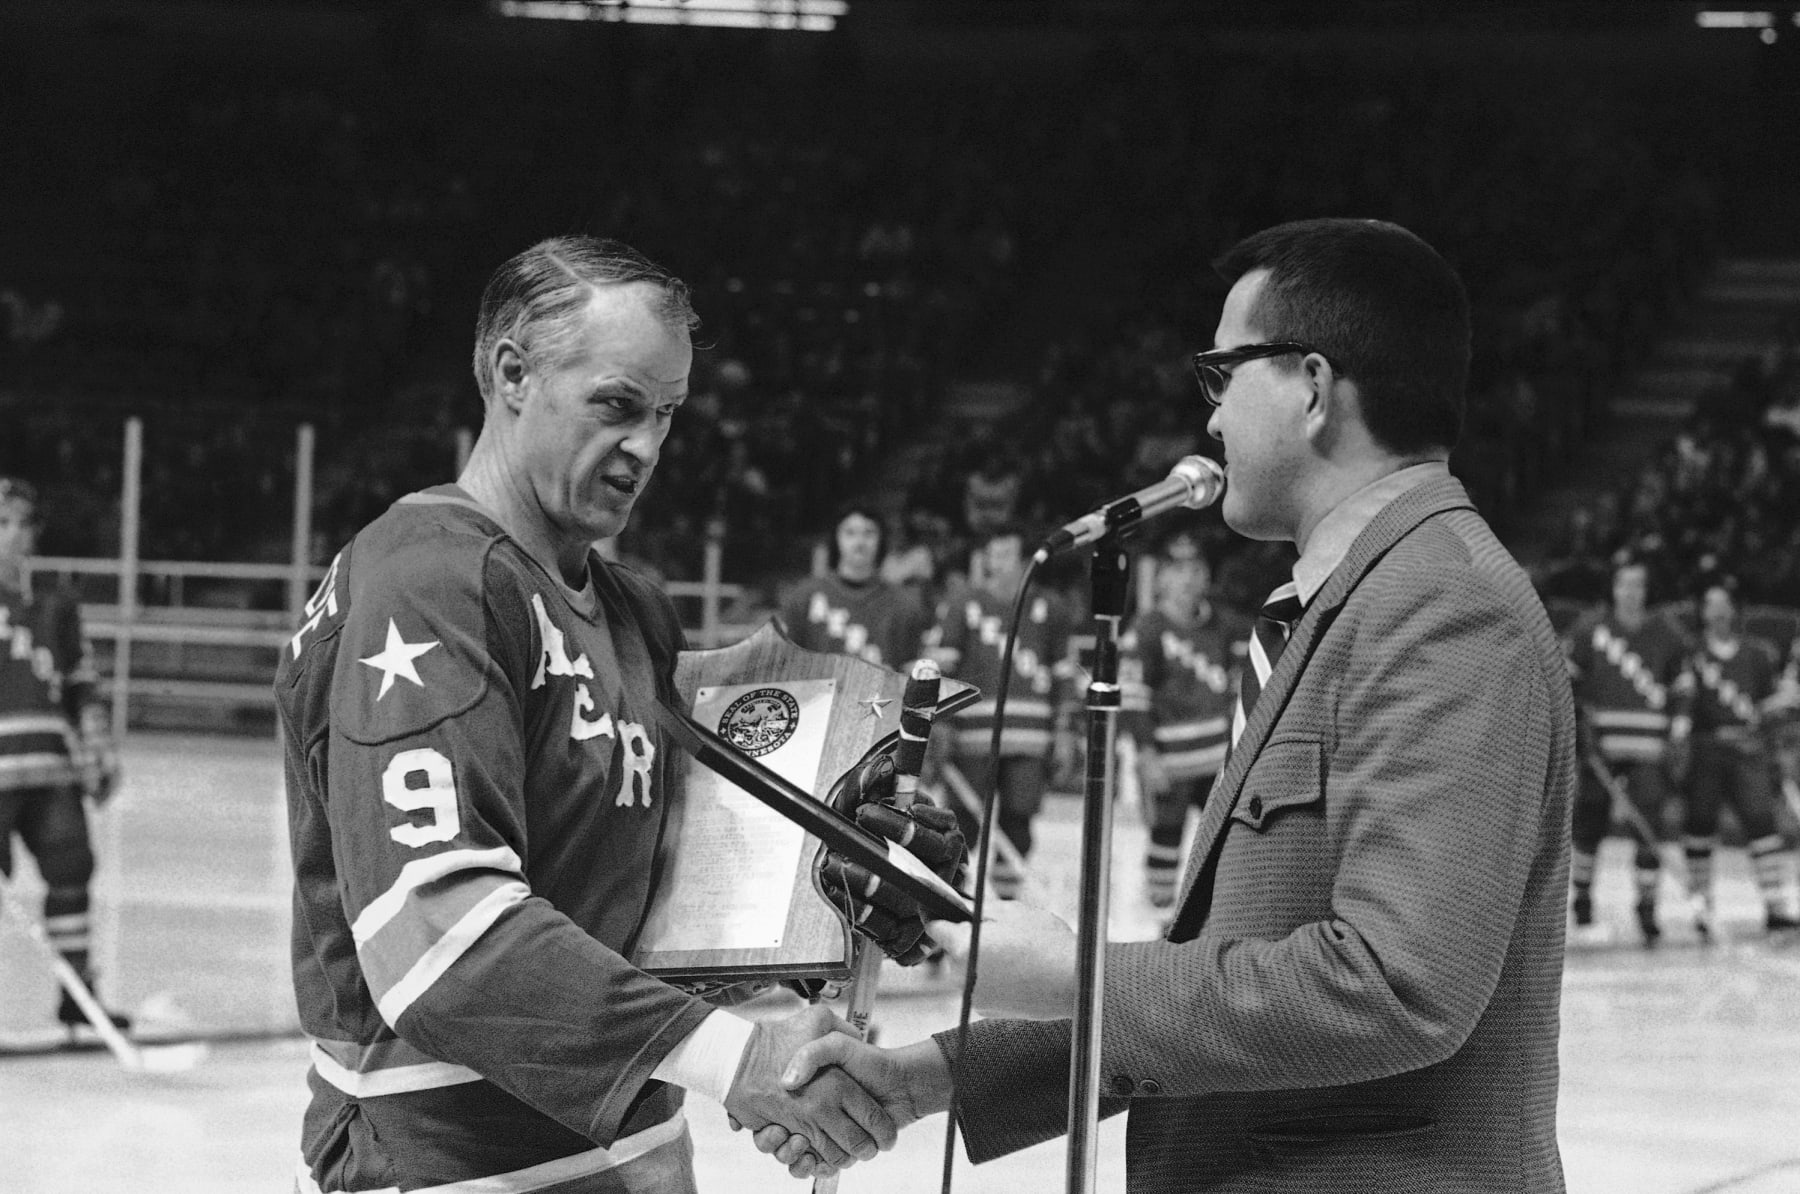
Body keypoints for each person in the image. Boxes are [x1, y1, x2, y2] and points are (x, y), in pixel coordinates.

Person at [779, 218, 1578, 1191]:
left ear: (1314, 389)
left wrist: (1078, 972)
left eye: (1222, 376)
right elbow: (1221, 983)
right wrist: (925, 1079)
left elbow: (1396, 986)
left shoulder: (1443, 608)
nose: (1209, 422)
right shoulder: (1340, 607)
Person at [275, 236, 900, 1193]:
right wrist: (745, 1064)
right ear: (511, 373)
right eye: (617, 405)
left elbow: (653, 910)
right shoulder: (428, 578)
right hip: (454, 1163)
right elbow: (438, 933)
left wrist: (837, 860)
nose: (646, 446)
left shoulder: (633, 607)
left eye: (668, 414)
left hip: (633, 1150)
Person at [0, 477, 128, 1036]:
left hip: (51, 768)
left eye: (23, 524)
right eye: (3, 524)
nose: (14, 536)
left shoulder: (55, 604)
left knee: (72, 870)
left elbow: (81, 684)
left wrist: (98, 749)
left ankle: (79, 998)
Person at [923, 523, 1075, 898]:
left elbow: (1064, 674)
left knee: (1019, 823)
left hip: (1031, 738)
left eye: (1006, 554)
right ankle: (948, 910)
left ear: (1025, 560)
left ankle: (1005, 910)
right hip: (973, 738)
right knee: (960, 829)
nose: (998, 563)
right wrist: (939, 725)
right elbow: (943, 668)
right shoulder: (962, 604)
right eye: (993, 554)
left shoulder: (1051, 608)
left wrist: (1066, 729)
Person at [1564, 555, 1691, 944]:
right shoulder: (1589, 629)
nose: (1631, 592)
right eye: (1624, 584)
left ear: (1647, 590)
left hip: (1649, 747)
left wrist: (1680, 725)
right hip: (1600, 747)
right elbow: (1566, 679)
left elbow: (1683, 686)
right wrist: (1578, 725)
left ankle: (1647, 908)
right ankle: (1582, 902)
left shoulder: (1667, 634)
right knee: (1590, 823)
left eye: (1638, 585)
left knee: (1648, 825)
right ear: (1614, 588)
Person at [1118, 529, 1247, 910]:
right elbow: (1134, 697)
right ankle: (1161, 923)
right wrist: (1145, 754)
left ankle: (1209, 924)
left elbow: (1239, 691)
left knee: (1224, 842)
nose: (1188, 578)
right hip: (1169, 763)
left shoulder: (1225, 627)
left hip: (1220, 763)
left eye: (1195, 568)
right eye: (1177, 569)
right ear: (1161, 577)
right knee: (1165, 841)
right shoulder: (1146, 630)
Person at [1673, 578, 1799, 934]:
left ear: (1734, 610)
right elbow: (1682, 701)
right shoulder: (1690, 652)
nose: (1716, 613)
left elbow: (1767, 704)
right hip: (1705, 750)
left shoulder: (1757, 654)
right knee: (1699, 826)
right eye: (1709, 605)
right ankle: (1702, 909)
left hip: (1748, 752)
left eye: (1722, 604)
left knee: (1763, 824)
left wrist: (1777, 710)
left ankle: (1776, 906)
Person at [774, 503, 928, 670]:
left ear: (881, 540)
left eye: (869, 533)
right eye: (850, 533)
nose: (860, 542)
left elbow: (908, 670)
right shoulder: (804, 597)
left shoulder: (904, 605)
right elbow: (785, 663)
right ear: (836, 538)